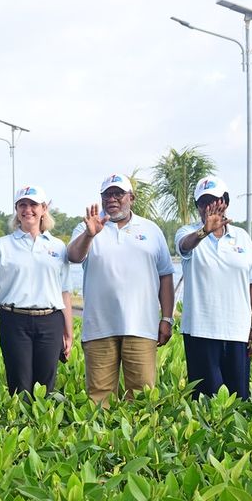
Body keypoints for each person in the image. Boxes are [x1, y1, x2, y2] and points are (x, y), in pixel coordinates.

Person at [67, 173, 175, 405]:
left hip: (142, 328)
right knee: (99, 400)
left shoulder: (152, 230)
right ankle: (104, 442)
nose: (112, 199)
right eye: (107, 194)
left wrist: (167, 318)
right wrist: (89, 234)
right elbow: (74, 256)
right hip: (99, 329)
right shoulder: (86, 227)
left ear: (131, 198)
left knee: (141, 398)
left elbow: (165, 276)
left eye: (118, 193)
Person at [0, 185, 73, 396]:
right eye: (22, 205)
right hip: (14, 320)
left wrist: (68, 332)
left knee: (45, 385)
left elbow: (65, 292)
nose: (28, 210)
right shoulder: (3, 245)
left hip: (50, 320)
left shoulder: (58, 247)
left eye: (33, 205)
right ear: (16, 210)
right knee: (19, 385)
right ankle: (20, 428)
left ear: (44, 208)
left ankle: (42, 427)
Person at [174, 176, 252, 400]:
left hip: (237, 332)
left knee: (238, 399)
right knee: (205, 402)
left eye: (215, 200)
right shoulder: (188, 233)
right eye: (204, 202)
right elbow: (185, 246)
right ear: (198, 206)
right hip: (200, 331)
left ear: (225, 202)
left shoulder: (242, 237)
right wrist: (204, 231)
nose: (210, 207)